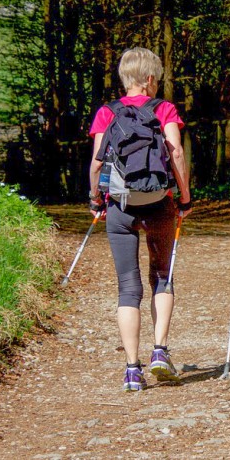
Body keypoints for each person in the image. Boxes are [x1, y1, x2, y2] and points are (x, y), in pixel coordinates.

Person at [88, 47, 192, 392]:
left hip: (120, 205)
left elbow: (98, 163)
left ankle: (132, 369)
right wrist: (185, 196)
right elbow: (175, 152)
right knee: (162, 275)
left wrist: (95, 198)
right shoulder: (164, 110)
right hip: (159, 201)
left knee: (128, 287)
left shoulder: (107, 113)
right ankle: (159, 350)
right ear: (150, 79)